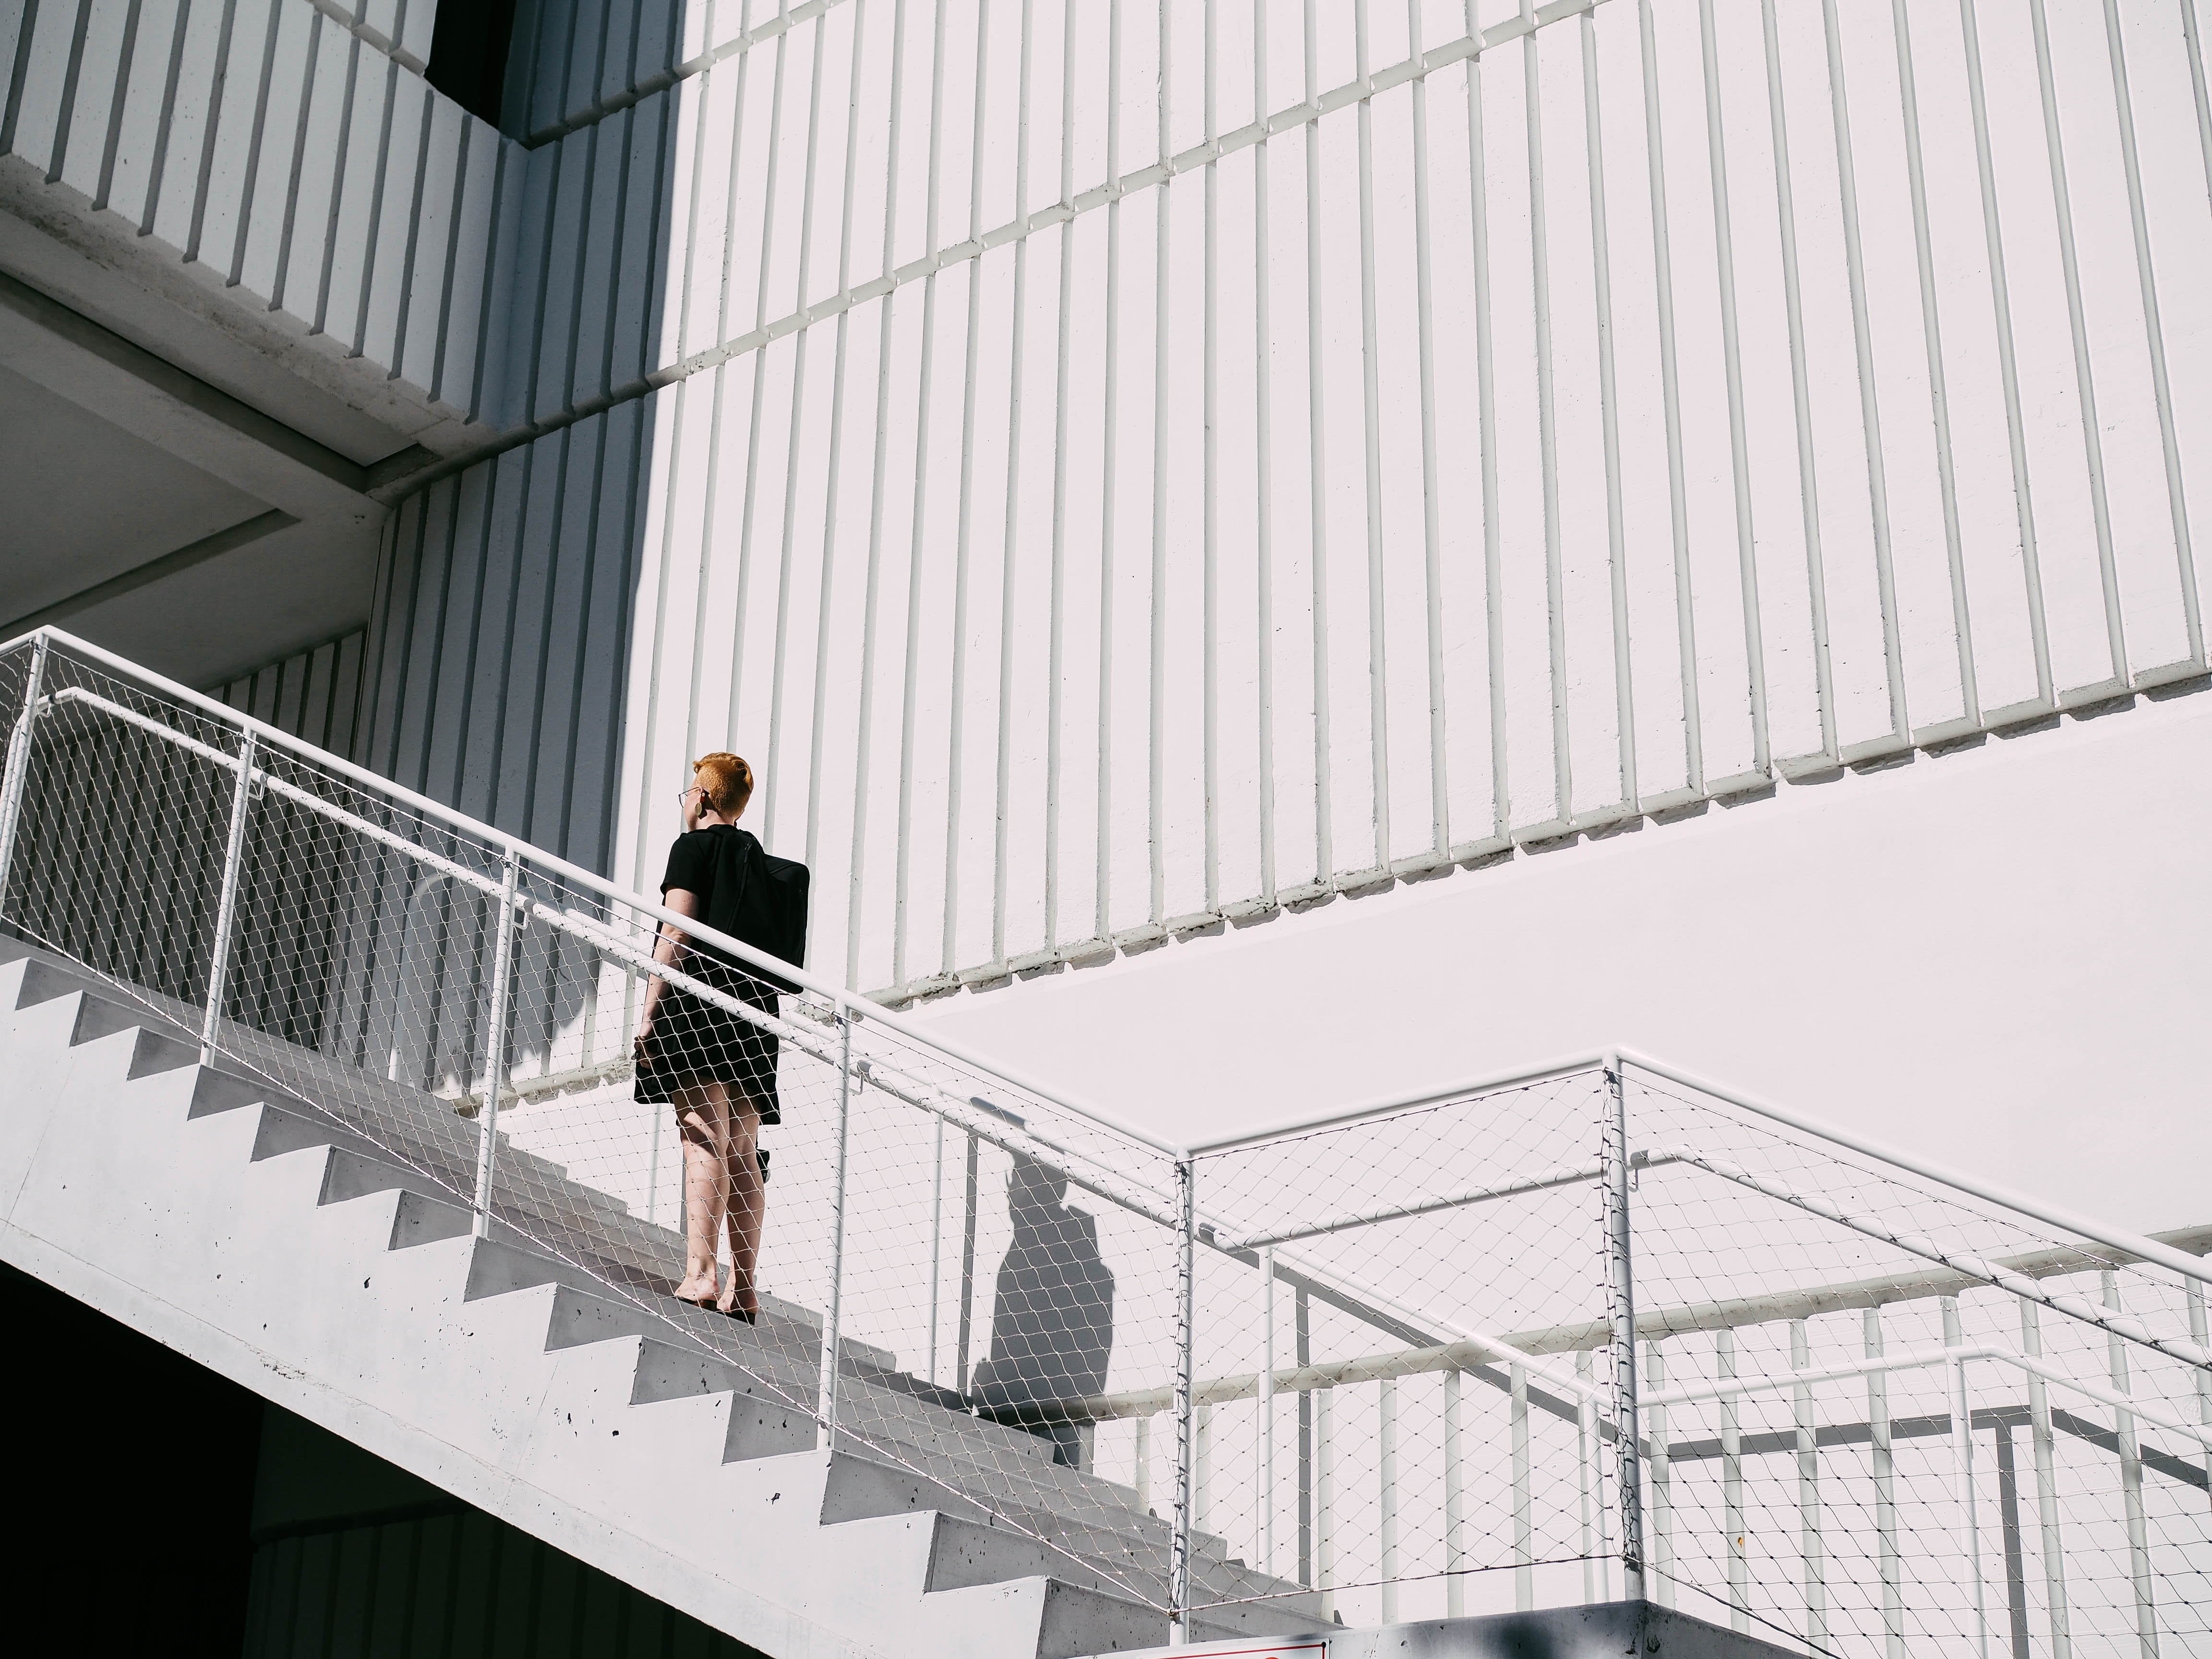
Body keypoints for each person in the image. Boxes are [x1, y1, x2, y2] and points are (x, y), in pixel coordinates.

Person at [634, 752, 793, 1322]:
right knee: (743, 1149)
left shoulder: (693, 848)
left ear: (702, 798)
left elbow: (675, 929)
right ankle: (744, 1289)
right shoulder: (761, 863)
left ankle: (702, 1276)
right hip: (754, 1012)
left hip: (700, 1002)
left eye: (687, 793)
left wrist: (650, 1011)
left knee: (702, 1137)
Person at [968, 1154, 1117, 1468]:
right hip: (1055, 1424)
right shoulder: (1064, 1252)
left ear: (1037, 1189)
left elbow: (1034, 1351)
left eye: (1017, 1182)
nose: (1009, 1193)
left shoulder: (1037, 1253)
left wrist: (991, 1384)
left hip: (1033, 1426)